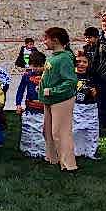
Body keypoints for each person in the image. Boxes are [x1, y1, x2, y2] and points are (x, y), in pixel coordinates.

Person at [40, 26, 78, 172]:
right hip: (50, 99)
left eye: (46, 39)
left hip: (61, 100)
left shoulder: (64, 58)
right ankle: (53, 158)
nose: (44, 42)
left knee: (60, 132)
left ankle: (69, 165)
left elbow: (70, 81)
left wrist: (52, 91)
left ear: (55, 40)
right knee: (48, 131)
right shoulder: (54, 57)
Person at [15, 50, 47, 159]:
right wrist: (18, 104)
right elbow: (20, 90)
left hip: (44, 109)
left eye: (40, 66)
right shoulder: (27, 76)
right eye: (35, 66)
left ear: (44, 64)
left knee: (42, 129)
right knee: (29, 129)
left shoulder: (48, 76)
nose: (37, 69)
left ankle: (43, 150)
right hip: (30, 107)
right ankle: (28, 149)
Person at [72, 52, 100, 161]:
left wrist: (95, 91)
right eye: (78, 61)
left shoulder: (92, 75)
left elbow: (99, 89)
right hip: (75, 106)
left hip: (90, 106)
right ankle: (76, 151)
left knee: (92, 130)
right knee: (75, 130)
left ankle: (90, 152)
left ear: (88, 63)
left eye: (84, 62)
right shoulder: (71, 75)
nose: (81, 64)